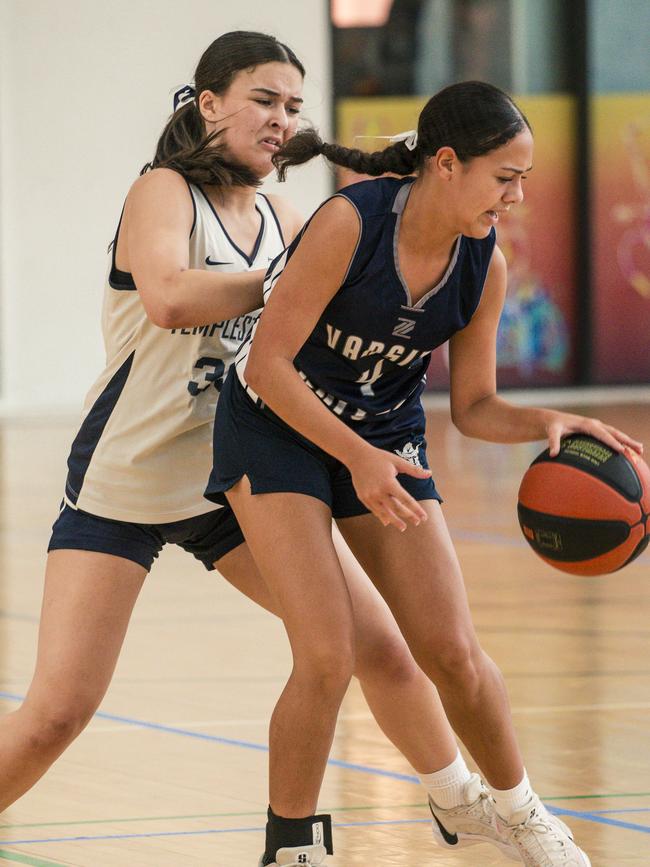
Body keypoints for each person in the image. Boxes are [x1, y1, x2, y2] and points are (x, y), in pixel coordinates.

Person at [0, 33, 522, 865]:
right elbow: (170, 297)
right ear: (208, 103)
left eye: (293, 107)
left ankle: (462, 800)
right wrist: (300, 274)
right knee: (58, 711)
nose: (282, 120)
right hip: (124, 482)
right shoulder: (162, 191)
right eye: (264, 100)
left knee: (377, 646)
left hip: (229, 481)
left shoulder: (283, 218)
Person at [206, 79, 644, 867]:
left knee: (453, 651)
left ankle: (516, 810)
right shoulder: (353, 222)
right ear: (447, 163)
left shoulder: (485, 264)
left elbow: (475, 405)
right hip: (275, 431)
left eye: (524, 181)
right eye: (505, 178)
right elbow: (268, 366)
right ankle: (292, 847)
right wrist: (357, 456)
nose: (515, 197)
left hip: (383, 439)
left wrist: (543, 422)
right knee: (328, 652)